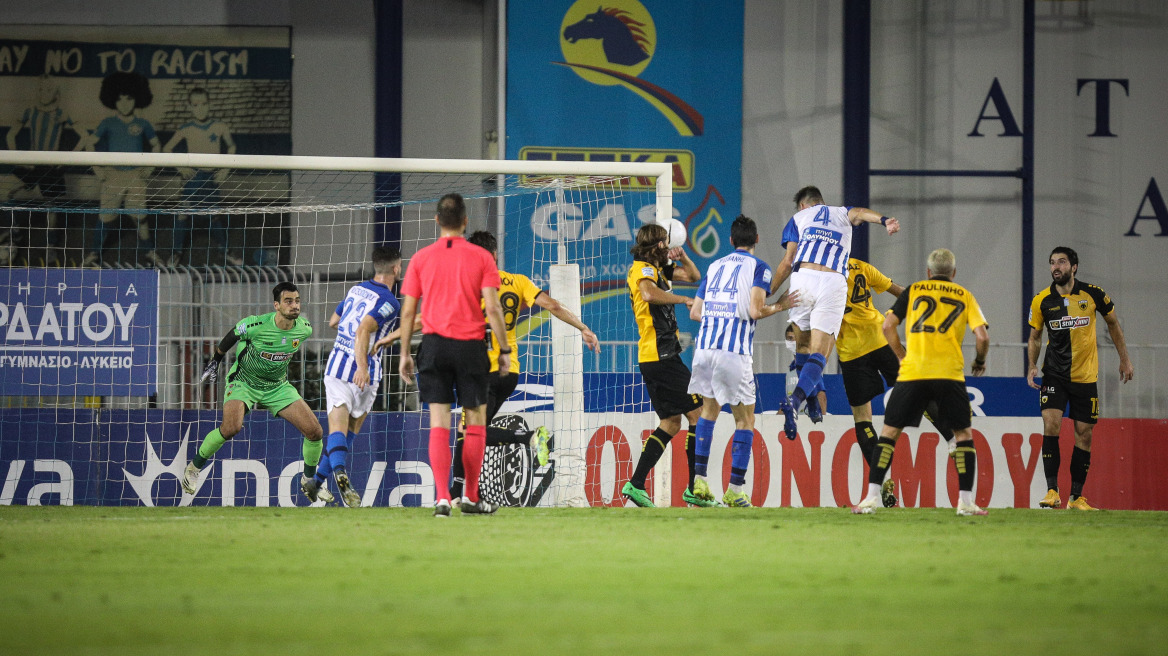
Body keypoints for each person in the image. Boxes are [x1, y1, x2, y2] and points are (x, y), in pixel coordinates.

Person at [447, 230, 600, 504]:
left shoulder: (468, 284)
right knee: (469, 431)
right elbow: (552, 305)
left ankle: (527, 437)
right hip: (510, 371)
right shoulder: (518, 282)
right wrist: (583, 328)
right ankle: (459, 492)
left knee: (471, 431)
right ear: (495, 254)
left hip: (482, 369)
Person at [852, 248, 989, 516]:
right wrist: (979, 361)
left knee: (889, 433)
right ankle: (965, 502)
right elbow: (982, 337)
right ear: (953, 273)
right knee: (962, 436)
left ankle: (870, 498)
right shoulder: (964, 295)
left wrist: (902, 355)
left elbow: (887, 326)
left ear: (928, 272)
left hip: (913, 372)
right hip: (949, 373)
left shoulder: (913, 290)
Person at [398, 193, 510, 517]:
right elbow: (492, 306)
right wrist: (503, 349)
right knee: (475, 420)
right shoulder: (481, 258)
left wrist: (404, 352)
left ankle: (443, 498)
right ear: (464, 222)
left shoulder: (420, 259)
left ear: (437, 221)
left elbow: (408, 313)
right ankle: (471, 498)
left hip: (433, 346)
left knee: (439, 422)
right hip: (470, 346)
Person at [770, 186, 900, 441]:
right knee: (820, 352)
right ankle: (797, 401)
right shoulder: (842, 213)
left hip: (803, 277)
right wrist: (885, 221)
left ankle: (808, 400)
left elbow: (788, 261)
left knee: (802, 348)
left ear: (804, 206)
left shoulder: (798, 218)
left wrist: (770, 292)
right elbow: (862, 213)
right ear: (821, 202)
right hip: (832, 280)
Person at [181, 282, 326, 504]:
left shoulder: (304, 328)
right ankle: (193, 468)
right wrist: (215, 362)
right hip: (243, 382)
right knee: (231, 428)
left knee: (315, 431)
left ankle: (309, 480)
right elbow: (232, 336)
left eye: (297, 300)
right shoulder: (256, 325)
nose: (294, 305)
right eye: (288, 301)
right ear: (276, 305)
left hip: (277, 386)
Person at [688, 215, 798, 507]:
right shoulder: (758, 268)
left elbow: (696, 313)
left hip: (705, 350)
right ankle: (735, 489)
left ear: (730, 241)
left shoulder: (714, 266)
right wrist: (781, 305)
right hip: (732, 353)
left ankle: (699, 483)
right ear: (757, 240)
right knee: (745, 419)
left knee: (709, 412)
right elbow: (755, 310)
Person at [834, 257, 958, 509]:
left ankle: (883, 483)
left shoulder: (820, 271)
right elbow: (897, 290)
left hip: (851, 351)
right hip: (880, 339)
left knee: (862, 418)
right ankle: (952, 438)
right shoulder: (860, 266)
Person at [1026, 246, 1133, 511]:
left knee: (1084, 435)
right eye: (1052, 263)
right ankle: (1052, 491)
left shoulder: (1093, 294)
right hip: (1054, 375)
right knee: (1051, 424)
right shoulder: (1042, 300)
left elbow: (1113, 324)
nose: (1056, 267)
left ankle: (1076, 498)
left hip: (1085, 378)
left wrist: (1125, 359)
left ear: (1074, 267)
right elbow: (1035, 336)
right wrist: (1031, 365)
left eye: (1061, 262)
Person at [308, 247, 402, 508]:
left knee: (338, 430)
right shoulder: (390, 302)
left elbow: (333, 321)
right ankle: (339, 474)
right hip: (365, 373)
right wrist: (362, 366)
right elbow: (363, 329)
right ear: (397, 268)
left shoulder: (355, 290)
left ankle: (317, 480)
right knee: (349, 431)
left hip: (337, 366)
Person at [621, 222, 703, 508]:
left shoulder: (658, 270)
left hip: (656, 357)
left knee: (670, 423)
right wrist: (682, 299)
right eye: (666, 243)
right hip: (661, 356)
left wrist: (683, 257)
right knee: (698, 413)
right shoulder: (643, 269)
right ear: (657, 246)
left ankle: (636, 484)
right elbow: (648, 294)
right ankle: (695, 489)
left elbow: (694, 275)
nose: (669, 246)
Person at [81, 72, 163, 267]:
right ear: (112, 100)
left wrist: (150, 168)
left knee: (141, 218)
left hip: (135, 176)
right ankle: (94, 254)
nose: (124, 103)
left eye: (129, 98)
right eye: (119, 99)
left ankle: (149, 251)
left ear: (137, 98)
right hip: (113, 175)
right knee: (105, 218)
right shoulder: (108, 123)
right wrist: (98, 169)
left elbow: (157, 145)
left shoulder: (143, 124)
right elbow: (89, 144)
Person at [161, 87, 242, 266]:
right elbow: (166, 148)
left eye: (204, 104)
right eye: (196, 105)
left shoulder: (219, 126)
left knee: (214, 215)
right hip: (193, 178)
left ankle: (225, 250)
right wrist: (180, 167)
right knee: (183, 214)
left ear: (209, 104)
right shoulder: (186, 128)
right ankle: (176, 252)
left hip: (211, 177)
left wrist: (225, 169)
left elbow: (232, 147)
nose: (201, 108)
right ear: (190, 107)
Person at [5, 74, 75, 266]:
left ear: (56, 92)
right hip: (33, 164)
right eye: (41, 89)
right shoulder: (30, 111)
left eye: (49, 89)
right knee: (10, 193)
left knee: (51, 207)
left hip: (51, 167)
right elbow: (11, 135)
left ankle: (51, 245)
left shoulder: (61, 113)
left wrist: (69, 158)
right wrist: (18, 156)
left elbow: (84, 135)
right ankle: (14, 236)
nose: (45, 93)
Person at [784, 322, 828, 420]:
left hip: (809, 420)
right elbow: (789, 399)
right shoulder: (790, 371)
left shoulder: (811, 367)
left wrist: (821, 421)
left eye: (795, 338)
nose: (792, 342)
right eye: (789, 339)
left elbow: (821, 395)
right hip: (796, 419)